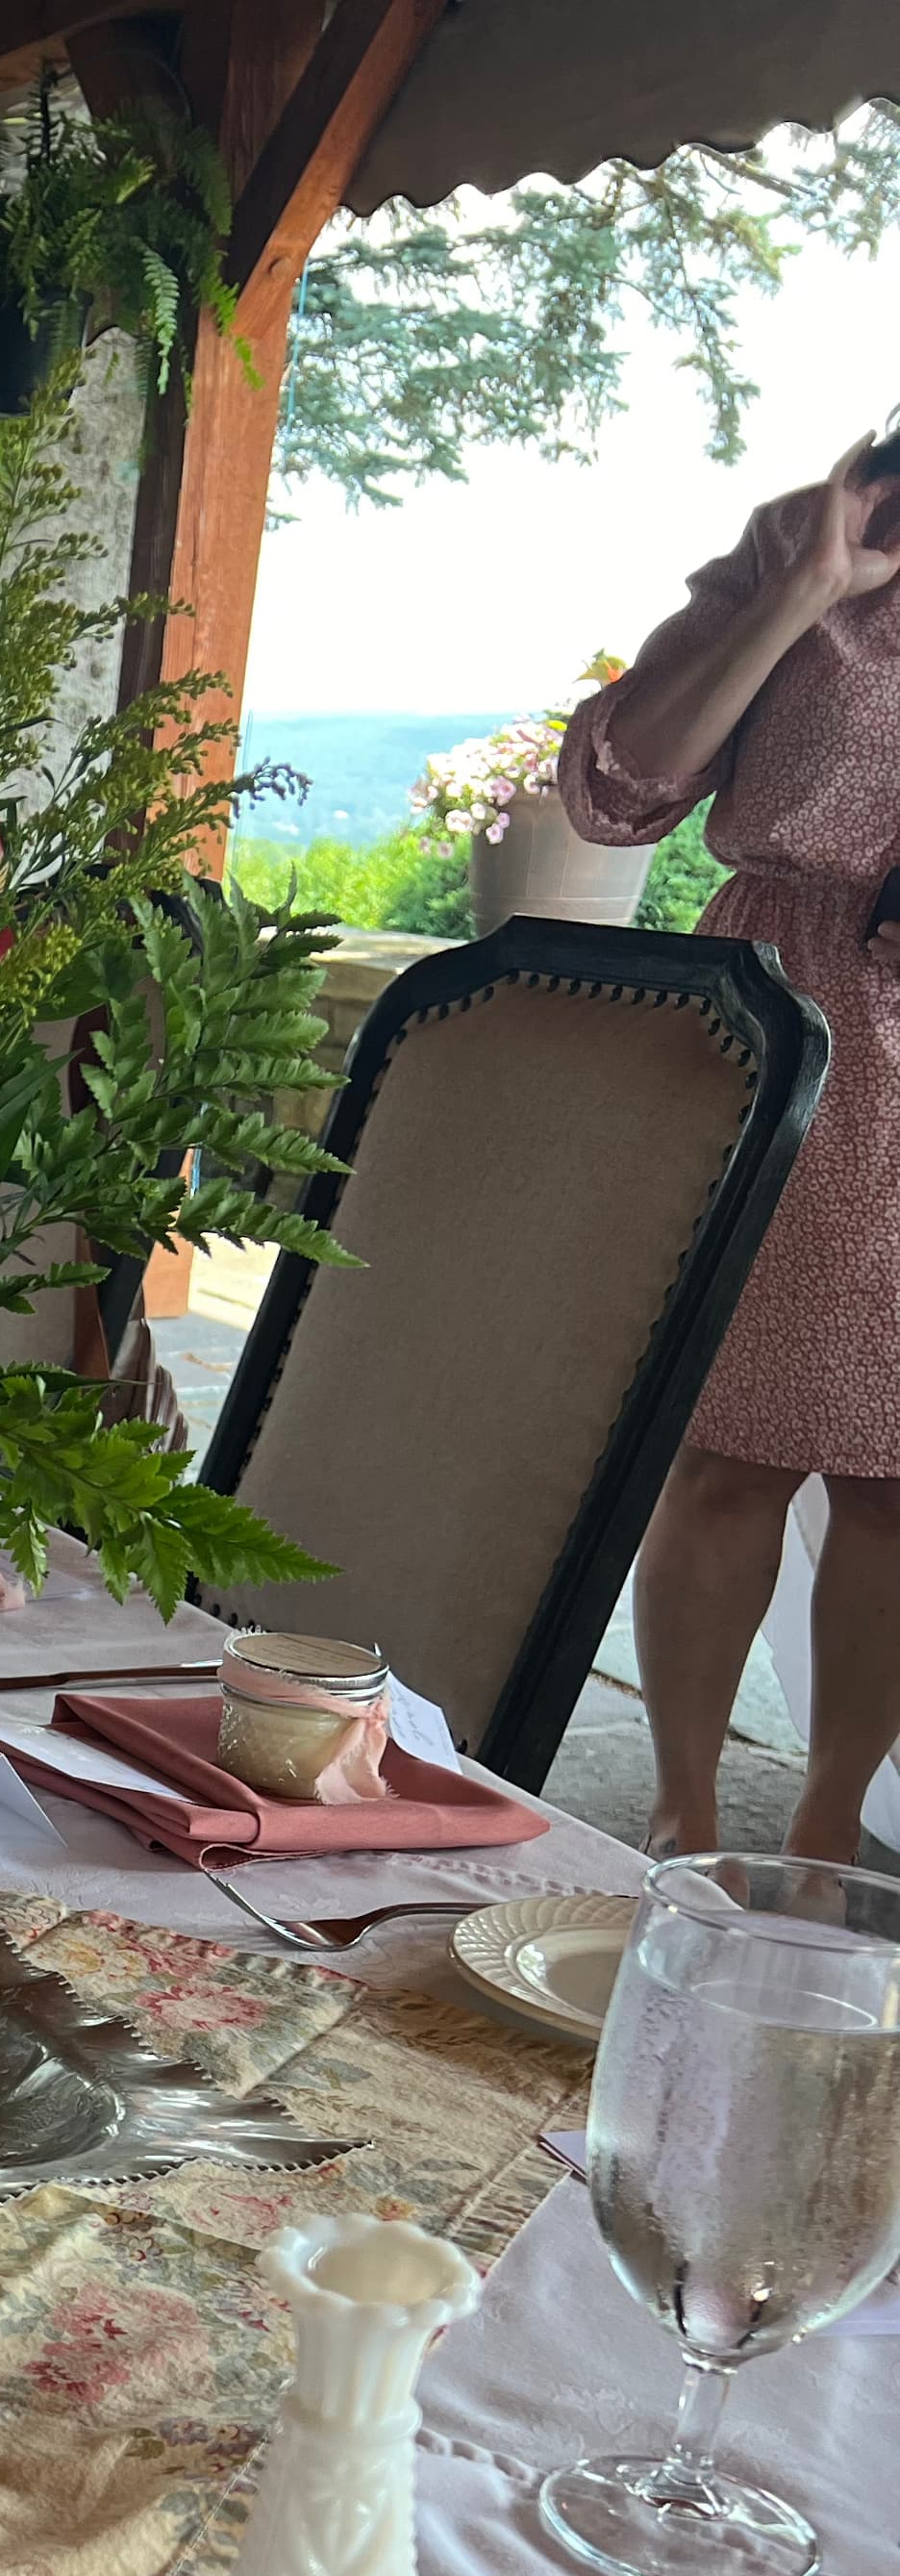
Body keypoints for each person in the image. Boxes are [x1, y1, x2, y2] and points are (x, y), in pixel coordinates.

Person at [560, 432, 900, 1864]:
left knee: (897, 1475)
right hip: (794, 1021)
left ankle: (823, 1833)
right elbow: (620, 788)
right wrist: (803, 589)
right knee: (735, 1451)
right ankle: (686, 1813)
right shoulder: (817, 537)